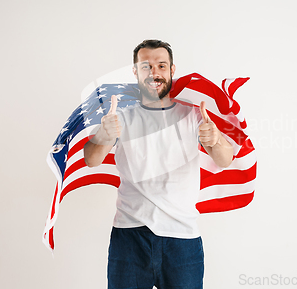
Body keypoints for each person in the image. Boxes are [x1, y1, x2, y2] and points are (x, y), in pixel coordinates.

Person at [83, 39, 233, 289]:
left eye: (161, 66)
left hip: (182, 240)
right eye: (146, 67)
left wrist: (216, 139)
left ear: (172, 70)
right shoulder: (119, 115)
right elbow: (92, 159)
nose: (154, 73)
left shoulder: (193, 115)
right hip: (129, 237)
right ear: (135, 72)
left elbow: (224, 159)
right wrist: (104, 135)